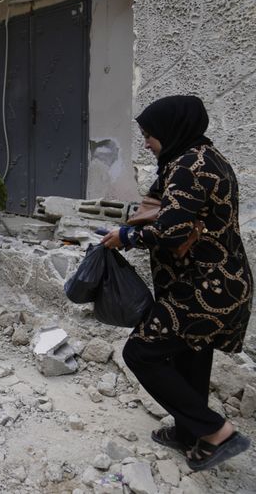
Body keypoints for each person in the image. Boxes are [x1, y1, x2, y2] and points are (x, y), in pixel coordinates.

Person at [101, 96, 252, 471]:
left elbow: (172, 230)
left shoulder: (190, 165)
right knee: (191, 354)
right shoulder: (197, 157)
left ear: (171, 130)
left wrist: (126, 237)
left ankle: (217, 432)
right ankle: (190, 433)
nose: (147, 142)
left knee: (140, 352)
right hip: (216, 281)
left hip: (204, 287)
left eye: (149, 135)